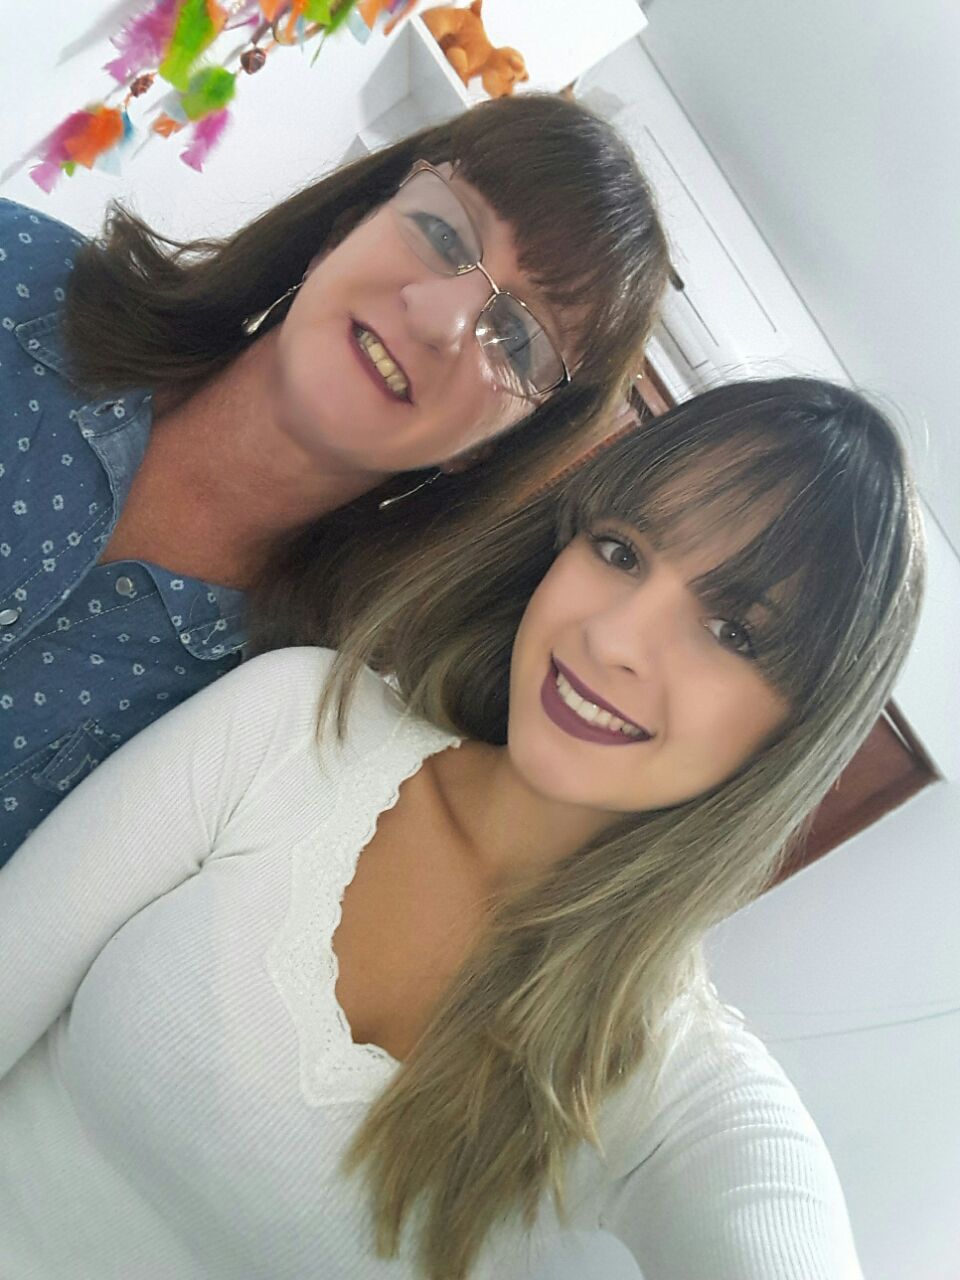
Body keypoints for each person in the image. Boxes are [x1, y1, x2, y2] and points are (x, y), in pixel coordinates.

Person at [0, 378, 923, 1279]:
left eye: (732, 632)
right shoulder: (299, 723)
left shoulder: (666, 1082)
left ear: (798, 731)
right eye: (620, 551)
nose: (613, 640)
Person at [0, 92, 669, 859]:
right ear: (342, 230)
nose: (437, 318)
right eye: (442, 233)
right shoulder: (17, 273)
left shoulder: (285, 730)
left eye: (517, 340)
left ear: (494, 447)